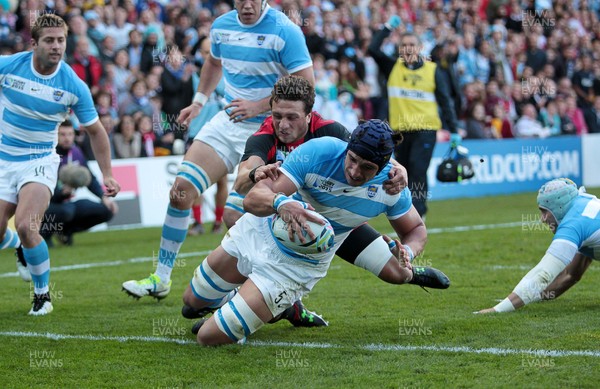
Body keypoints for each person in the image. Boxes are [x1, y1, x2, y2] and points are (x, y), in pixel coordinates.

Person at [183, 120, 448, 346]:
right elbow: (252, 200)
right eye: (353, 160)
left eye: (367, 167)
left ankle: (273, 305)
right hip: (260, 232)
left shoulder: (391, 186)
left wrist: (409, 251)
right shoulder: (316, 149)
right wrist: (282, 203)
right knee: (191, 302)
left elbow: (415, 228)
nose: (355, 171)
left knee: (207, 337)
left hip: (296, 266)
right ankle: (249, 302)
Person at [122, 0, 314, 300]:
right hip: (228, 120)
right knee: (181, 190)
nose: (247, 4)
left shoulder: (285, 30)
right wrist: (199, 101)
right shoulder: (222, 26)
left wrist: (260, 105)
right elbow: (213, 62)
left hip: (267, 128)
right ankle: (161, 278)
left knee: (236, 216)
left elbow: (306, 84)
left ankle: (260, 293)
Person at [0, 14, 120, 315]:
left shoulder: (73, 85)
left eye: (61, 40)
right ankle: (17, 245)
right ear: (34, 43)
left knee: (29, 225)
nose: (56, 46)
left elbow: (95, 131)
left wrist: (107, 174)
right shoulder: (9, 66)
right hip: (4, 158)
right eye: (49, 40)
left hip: (39, 160)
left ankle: (42, 296)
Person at [368, 16, 462, 218]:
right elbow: (373, 49)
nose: (408, 48)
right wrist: (387, 28)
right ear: (399, 49)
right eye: (404, 45)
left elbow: (445, 101)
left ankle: (419, 213)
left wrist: (454, 130)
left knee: (418, 170)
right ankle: (406, 211)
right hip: (400, 132)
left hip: (425, 130)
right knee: (404, 171)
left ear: (419, 47)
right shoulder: (393, 67)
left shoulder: (432, 70)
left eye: (412, 45)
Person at [477, 178, 599, 314]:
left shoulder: (573, 224)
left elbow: (542, 275)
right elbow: (569, 275)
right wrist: (527, 298)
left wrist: (496, 310)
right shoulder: (581, 205)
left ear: (559, 207)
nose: (542, 219)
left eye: (544, 211)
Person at [40, 121, 118, 246]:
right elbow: (39, 190)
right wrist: (61, 193)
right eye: (63, 134)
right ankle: (43, 234)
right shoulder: (47, 155)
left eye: (70, 134)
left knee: (106, 210)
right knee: (66, 211)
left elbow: (90, 179)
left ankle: (66, 231)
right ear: (55, 136)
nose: (67, 138)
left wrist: (103, 197)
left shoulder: (76, 152)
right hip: (46, 204)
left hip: (68, 204)